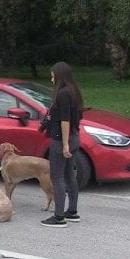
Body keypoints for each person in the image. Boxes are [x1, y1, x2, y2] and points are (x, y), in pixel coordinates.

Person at [41, 61, 83, 228]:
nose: (51, 79)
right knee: (69, 175)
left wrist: (64, 144)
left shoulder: (62, 94)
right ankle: (72, 211)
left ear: (58, 76)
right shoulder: (74, 92)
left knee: (57, 177)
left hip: (62, 139)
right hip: (75, 137)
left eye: (52, 75)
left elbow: (65, 120)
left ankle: (58, 217)